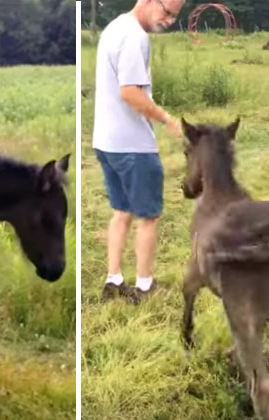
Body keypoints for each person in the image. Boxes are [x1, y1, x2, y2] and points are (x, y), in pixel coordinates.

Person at [92, 0, 184, 304]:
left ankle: (113, 280)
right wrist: (166, 119)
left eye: (174, 16)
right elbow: (130, 92)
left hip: (106, 143)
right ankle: (144, 286)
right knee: (149, 216)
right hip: (133, 146)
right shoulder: (134, 35)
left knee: (122, 212)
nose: (169, 20)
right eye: (167, 12)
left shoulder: (114, 27)